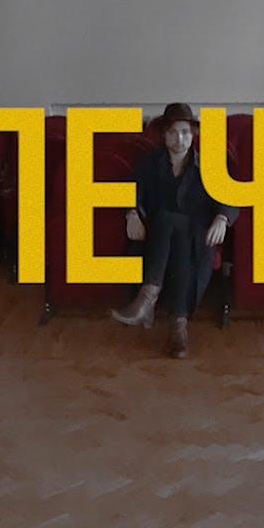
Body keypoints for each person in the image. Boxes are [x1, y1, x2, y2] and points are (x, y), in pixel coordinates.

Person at [110, 103, 239, 358]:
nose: (179, 139)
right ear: (164, 135)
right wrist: (131, 213)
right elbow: (129, 191)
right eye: (173, 132)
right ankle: (178, 329)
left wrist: (222, 218)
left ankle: (148, 298)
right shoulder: (150, 163)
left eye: (185, 132)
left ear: (193, 135)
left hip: (196, 239)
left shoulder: (210, 164)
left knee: (173, 224)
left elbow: (231, 197)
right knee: (168, 222)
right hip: (158, 241)